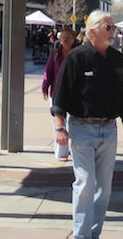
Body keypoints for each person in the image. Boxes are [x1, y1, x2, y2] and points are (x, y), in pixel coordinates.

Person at [51, 11, 123, 239]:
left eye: (113, 27)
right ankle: (81, 235)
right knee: (85, 182)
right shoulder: (76, 58)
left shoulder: (118, 59)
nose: (112, 32)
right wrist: (60, 127)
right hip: (82, 128)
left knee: (104, 187)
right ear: (92, 32)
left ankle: (93, 233)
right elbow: (61, 94)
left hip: (109, 129)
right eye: (107, 28)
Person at [43, 26, 78, 160]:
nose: (66, 39)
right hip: (57, 93)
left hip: (75, 94)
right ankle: (61, 152)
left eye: (69, 37)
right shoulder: (55, 53)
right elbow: (48, 71)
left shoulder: (78, 53)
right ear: (59, 38)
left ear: (74, 39)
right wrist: (45, 87)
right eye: (64, 36)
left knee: (74, 123)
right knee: (58, 123)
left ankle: (76, 151)